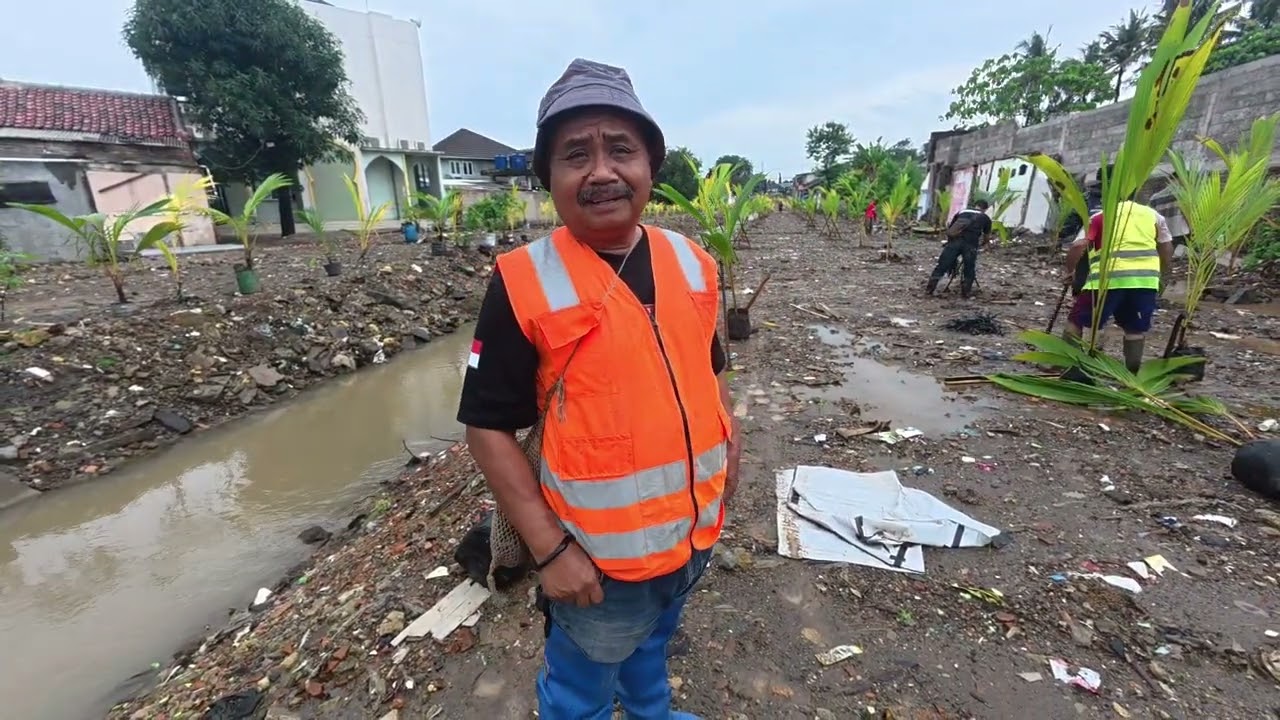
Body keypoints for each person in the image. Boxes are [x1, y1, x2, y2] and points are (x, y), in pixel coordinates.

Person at [456, 57, 740, 720]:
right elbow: (487, 428)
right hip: (594, 564)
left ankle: (652, 714)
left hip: (691, 536)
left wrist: (733, 453)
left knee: (652, 651)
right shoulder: (522, 281)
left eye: (622, 149)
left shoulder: (691, 262)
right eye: (575, 154)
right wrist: (552, 552)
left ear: (651, 166)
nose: (602, 171)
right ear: (548, 178)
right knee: (580, 690)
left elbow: (712, 369)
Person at [1062, 196, 1173, 372]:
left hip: (1106, 281)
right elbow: (1166, 247)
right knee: (1134, 329)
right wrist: (1161, 272)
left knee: (1076, 322)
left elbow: (1079, 246)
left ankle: (1069, 365)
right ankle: (1131, 374)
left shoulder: (1100, 216)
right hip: (1144, 281)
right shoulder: (1154, 216)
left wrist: (1070, 272)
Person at [926, 199, 992, 298]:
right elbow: (986, 236)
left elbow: (951, 228)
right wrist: (983, 244)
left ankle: (929, 290)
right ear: (985, 209)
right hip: (970, 244)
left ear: (975, 205)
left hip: (954, 242)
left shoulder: (962, 212)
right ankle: (966, 293)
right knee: (969, 268)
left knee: (942, 266)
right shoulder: (985, 218)